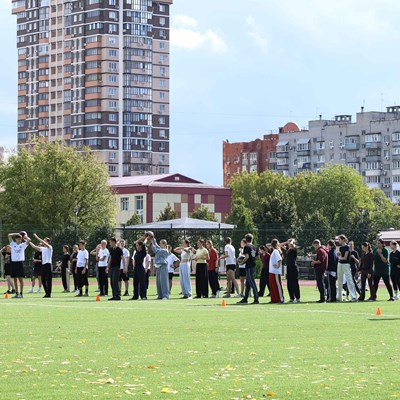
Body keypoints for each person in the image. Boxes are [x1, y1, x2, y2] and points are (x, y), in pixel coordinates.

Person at [146, 233, 170, 300]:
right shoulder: (160, 248)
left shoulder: (165, 250)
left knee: (164, 282)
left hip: (163, 266)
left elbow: (156, 250)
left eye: (161, 243)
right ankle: (160, 295)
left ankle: (165, 296)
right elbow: (156, 245)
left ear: (164, 244)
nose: (159, 244)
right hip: (158, 267)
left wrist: (151, 244)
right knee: (158, 282)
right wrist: (153, 239)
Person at [237, 233, 259, 304]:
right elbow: (257, 257)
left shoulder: (246, 247)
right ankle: (245, 298)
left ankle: (256, 298)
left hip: (249, 266)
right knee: (248, 284)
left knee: (252, 282)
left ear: (246, 240)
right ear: (252, 239)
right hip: (253, 265)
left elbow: (246, 257)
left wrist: (241, 262)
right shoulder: (254, 247)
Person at [8, 231, 31, 298]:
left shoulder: (23, 245)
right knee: (15, 279)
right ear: (15, 239)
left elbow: (29, 240)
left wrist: (25, 236)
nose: (19, 240)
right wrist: (17, 233)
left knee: (20, 279)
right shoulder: (12, 244)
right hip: (13, 263)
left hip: (20, 263)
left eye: (20, 239)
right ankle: (17, 293)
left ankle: (21, 293)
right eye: (18, 239)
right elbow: (9, 235)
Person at [29, 234, 53, 298]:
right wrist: (28, 241)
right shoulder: (42, 249)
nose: (43, 241)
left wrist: (37, 237)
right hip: (43, 265)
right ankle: (46, 292)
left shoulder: (50, 247)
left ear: (48, 242)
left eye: (45, 240)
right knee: (43, 279)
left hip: (48, 265)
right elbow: (34, 247)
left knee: (49, 280)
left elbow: (43, 242)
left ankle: (49, 294)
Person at [337, 235, 357, 302]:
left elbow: (345, 258)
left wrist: (339, 257)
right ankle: (339, 297)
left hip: (346, 264)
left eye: (339, 239)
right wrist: (339, 256)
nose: (338, 241)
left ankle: (354, 297)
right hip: (340, 264)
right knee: (339, 280)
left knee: (349, 280)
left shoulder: (347, 247)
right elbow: (340, 255)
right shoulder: (340, 247)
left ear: (343, 239)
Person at [268, 238, 284, 304]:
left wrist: (278, 266)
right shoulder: (274, 251)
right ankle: (274, 299)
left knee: (277, 285)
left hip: (276, 272)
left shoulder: (276, 251)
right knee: (272, 286)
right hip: (272, 271)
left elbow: (279, 259)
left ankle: (280, 299)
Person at [285, 239, 300, 303]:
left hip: (294, 268)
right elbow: (279, 245)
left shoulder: (294, 249)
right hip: (289, 268)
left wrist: (292, 241)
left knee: (295, 283)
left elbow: (292, 245)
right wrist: (286, 242)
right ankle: (291, 298)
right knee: (289, 284)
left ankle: (298, 298)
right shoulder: (288, 250)